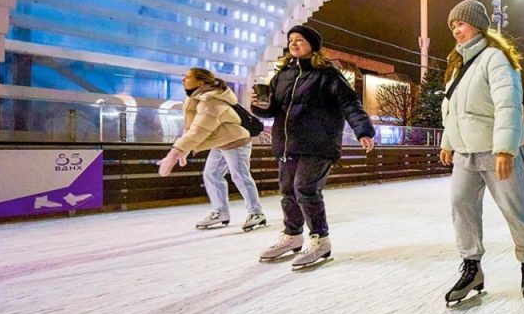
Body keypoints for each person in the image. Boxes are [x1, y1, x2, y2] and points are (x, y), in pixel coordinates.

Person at [438, 0, 524, 305]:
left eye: (462, 23)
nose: (457, 30)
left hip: (496, 153)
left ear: (478, 25)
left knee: (514, 208)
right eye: (453, 26)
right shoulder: (456, 67)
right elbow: (453, 110)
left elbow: (508, 104)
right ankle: (472, 267)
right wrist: (447, 142)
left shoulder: (495, 58)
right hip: (465, 155)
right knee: (461, 205)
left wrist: (506, 150)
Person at [252, 25, 375, 269]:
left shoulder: (327, 74)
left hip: (319, 143)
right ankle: (292, 235)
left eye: (299, 40)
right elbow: (274, 111)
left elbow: (349, 103)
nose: (294, 44)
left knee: (305, 189)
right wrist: (260, 106)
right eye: (291, 40)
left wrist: (363, 130)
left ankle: (320, 239)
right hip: (288, 144)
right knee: (288, 190)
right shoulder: (283, 74)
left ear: (312, 45)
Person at [158, 67, 266, 232]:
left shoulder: (211, 102)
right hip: (220, 141)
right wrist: (184, 150)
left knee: (240, 176)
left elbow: (198, 130)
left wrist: (174, 154)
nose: (183, 79)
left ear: (200, 82)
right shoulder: (197, 98)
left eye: (187, 77)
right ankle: (221, 212)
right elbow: (192, 127)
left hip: (236, 141)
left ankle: (256, 213)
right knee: (212, 174)